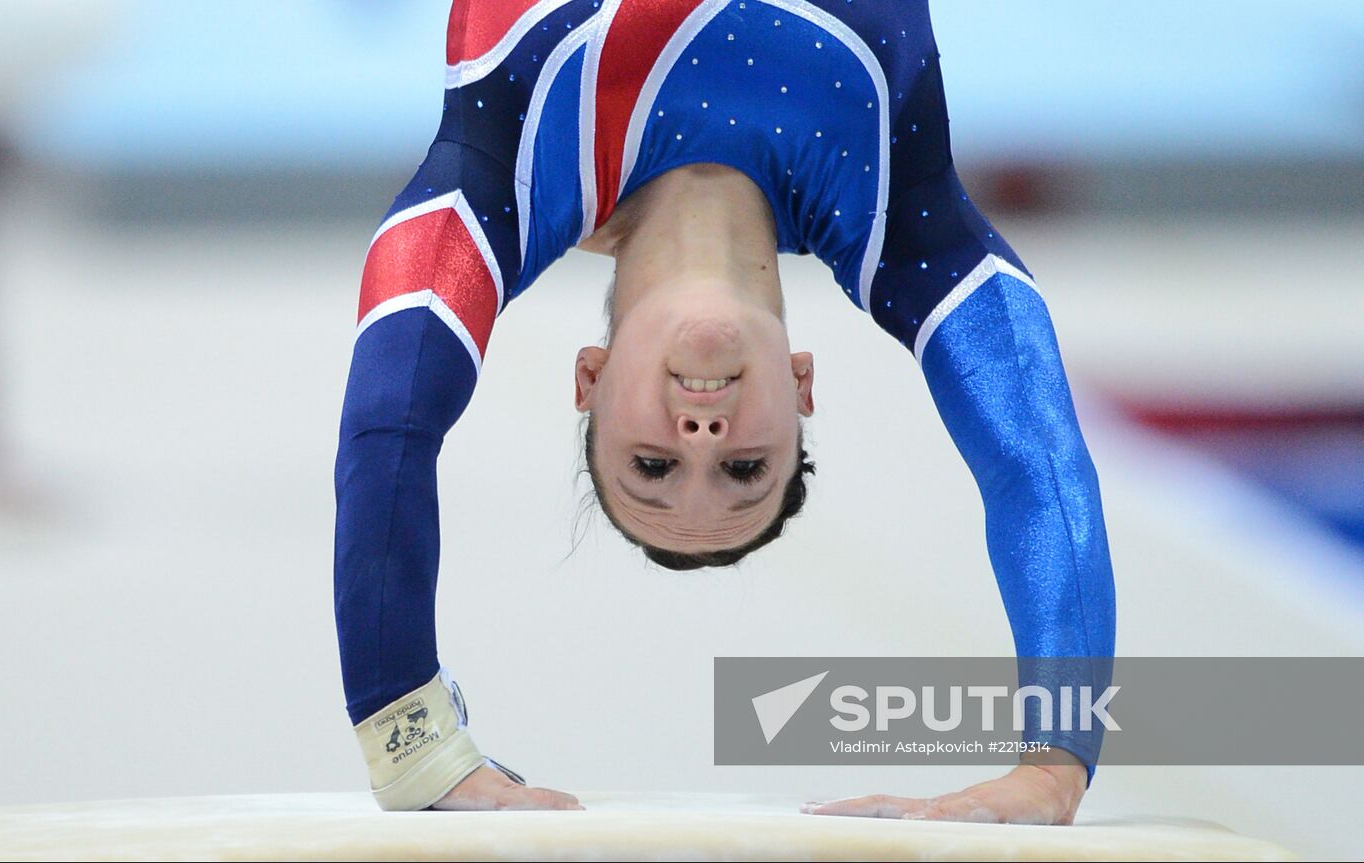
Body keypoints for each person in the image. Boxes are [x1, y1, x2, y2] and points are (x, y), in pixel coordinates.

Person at [335, 0, 1115, 824]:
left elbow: (389, 433)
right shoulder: (904, 218)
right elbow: (1037, 464)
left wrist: (409, 742)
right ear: (801, 384)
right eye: (746, 469)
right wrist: (1054, 762)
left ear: (590, 381)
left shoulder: (503, 174)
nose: (701, 439)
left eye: (652, 465)